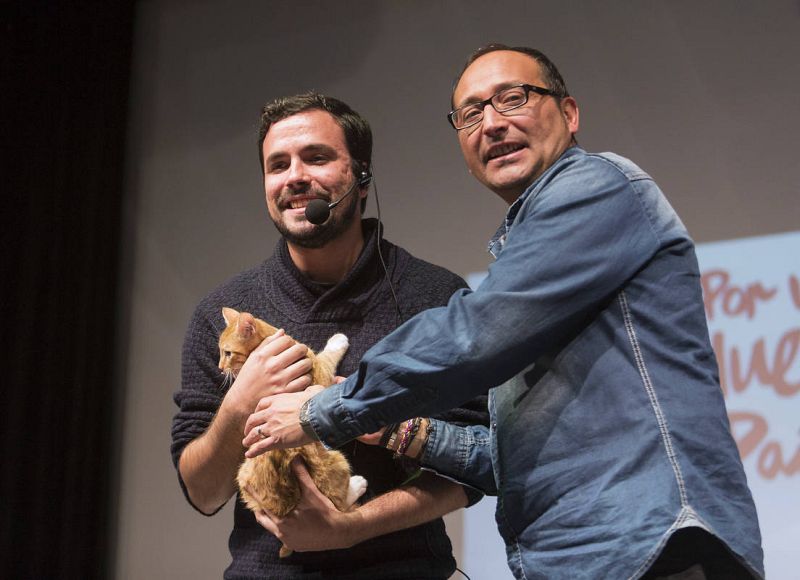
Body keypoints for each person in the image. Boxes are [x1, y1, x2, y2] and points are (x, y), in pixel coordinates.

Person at [245, 45, 765, 579]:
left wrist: (324, 408)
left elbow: (477, 334)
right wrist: (397, 431)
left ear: (569, 113)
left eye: (513, 99)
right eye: (470, 115)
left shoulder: (599, 188)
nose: (491, 124)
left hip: (653, 549)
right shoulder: (533, 254)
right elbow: (506, 459)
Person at [170, 92, 488, 579]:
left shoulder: (436, 294)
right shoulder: (224, 315)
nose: (294, 176)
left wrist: (351, 527)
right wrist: (239, 405)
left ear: (361, 179)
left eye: (315, 157)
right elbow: (203, 492)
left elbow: (473, 467)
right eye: (278, 165)